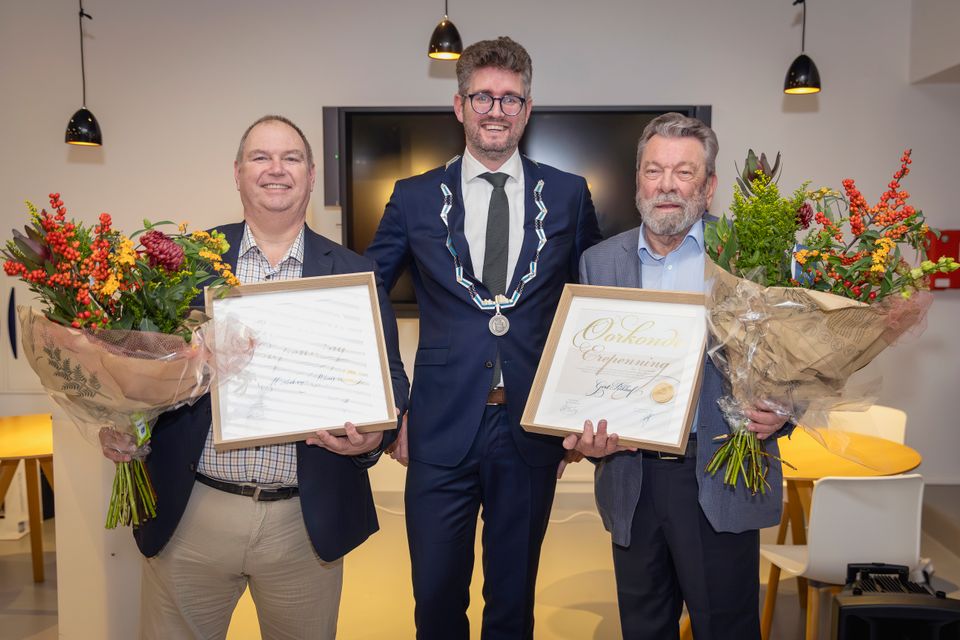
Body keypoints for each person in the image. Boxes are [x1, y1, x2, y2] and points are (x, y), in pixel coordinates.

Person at [98, 114, 409, 640]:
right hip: (193, 510)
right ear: (237, 173)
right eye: (261, 157)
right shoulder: (186, 265)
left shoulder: (354, 275)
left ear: (311, 175)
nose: (276, 170)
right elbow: (136, 362)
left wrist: (374, 435)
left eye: (291, 158)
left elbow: (392, 379)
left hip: (303, 521)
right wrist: (121, 419)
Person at [364, 37, 602, 640]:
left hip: (528, 430)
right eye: (483, 97)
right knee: (437, 599)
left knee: (513, 601)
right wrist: (392, 403)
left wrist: (579, 407)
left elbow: (594, 310)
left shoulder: (569, 194)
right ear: (459, 105)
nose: (496, 110)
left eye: (510, 99)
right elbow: (362, 301)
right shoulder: (413, 196)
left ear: (527, 108)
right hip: (437, 428)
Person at [564, 112, 792, 640]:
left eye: (684, 172)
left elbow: (795, 360)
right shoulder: (599, 263)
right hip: (629, 477)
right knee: (643, 627)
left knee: (727, 628)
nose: (667, 185)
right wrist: (580, 431)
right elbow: (586, 370)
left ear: (708, 186)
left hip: (717, 473)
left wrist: (784, 411)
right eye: (654, 170)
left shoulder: (752, 256)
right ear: (637, 180)